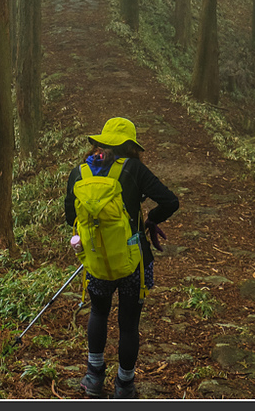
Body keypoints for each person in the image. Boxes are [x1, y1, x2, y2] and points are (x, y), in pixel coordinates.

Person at [65, 116, 179, 399]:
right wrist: (150, 218)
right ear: (130, 146)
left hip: (95, 260)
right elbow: (170, 201)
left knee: (99, 312)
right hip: (134, 261)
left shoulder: (79, 173)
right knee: (129, 324)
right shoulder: (134, 169)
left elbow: (71, 217)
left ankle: (93, 378)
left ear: (100, 142)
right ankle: (124, 386)